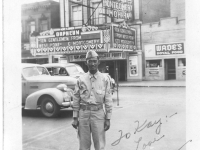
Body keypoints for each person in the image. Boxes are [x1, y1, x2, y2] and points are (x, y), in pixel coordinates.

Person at [72, 50, 113, 150]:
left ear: (98, 61)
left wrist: (108, 118)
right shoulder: (81, 79)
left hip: (98, 114)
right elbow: (76, 98)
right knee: (84, 145)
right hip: (83, 114)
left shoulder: (105, 79)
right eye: (90, 61)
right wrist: (75, 117)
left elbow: (108, 99)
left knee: (99, 145)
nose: (92, 63)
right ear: (86, 63)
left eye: (94, 61)